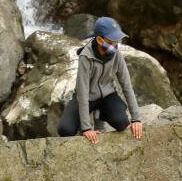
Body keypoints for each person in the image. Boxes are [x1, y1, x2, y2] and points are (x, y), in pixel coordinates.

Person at [57, 16, 144, 144]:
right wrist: (86, 128)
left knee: (121, 123)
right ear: (99, 39)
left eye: (117, 40)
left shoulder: (116, 54)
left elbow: (126, 86)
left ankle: (99, 117)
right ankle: (87, 121)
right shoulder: (86, 57)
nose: (115, 44)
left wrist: (136, 119)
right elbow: (82, 92)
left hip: (107, 96)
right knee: (65, 129)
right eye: (112, 40)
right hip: (87, 97)